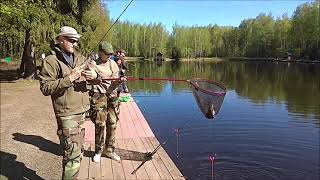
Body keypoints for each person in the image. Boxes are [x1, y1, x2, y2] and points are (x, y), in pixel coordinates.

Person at [38, 26, 90, 179]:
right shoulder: (51, 61)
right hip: (67, 114)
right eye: (71, 40)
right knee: (72, 157)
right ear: (61, 39)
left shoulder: (79, 58)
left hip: (81, 112)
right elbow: (46, 88)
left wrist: (94, 76)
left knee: (78, 153)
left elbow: (93, 79)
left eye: (76, 41)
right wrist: (70, 78)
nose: (74, 43)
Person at [82, 41, 124, 163]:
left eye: (110, 53)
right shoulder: (93, 64)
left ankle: (109, 150)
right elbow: (90, 79)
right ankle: (98, 151)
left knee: (112, 123)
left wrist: (119, 80)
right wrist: (96, 79)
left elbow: (115, 81)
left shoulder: (113, 64)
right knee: (100, 124)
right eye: (107, 53)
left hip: (112, 96)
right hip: (99, 96)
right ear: (100, 53)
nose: (109, 55)